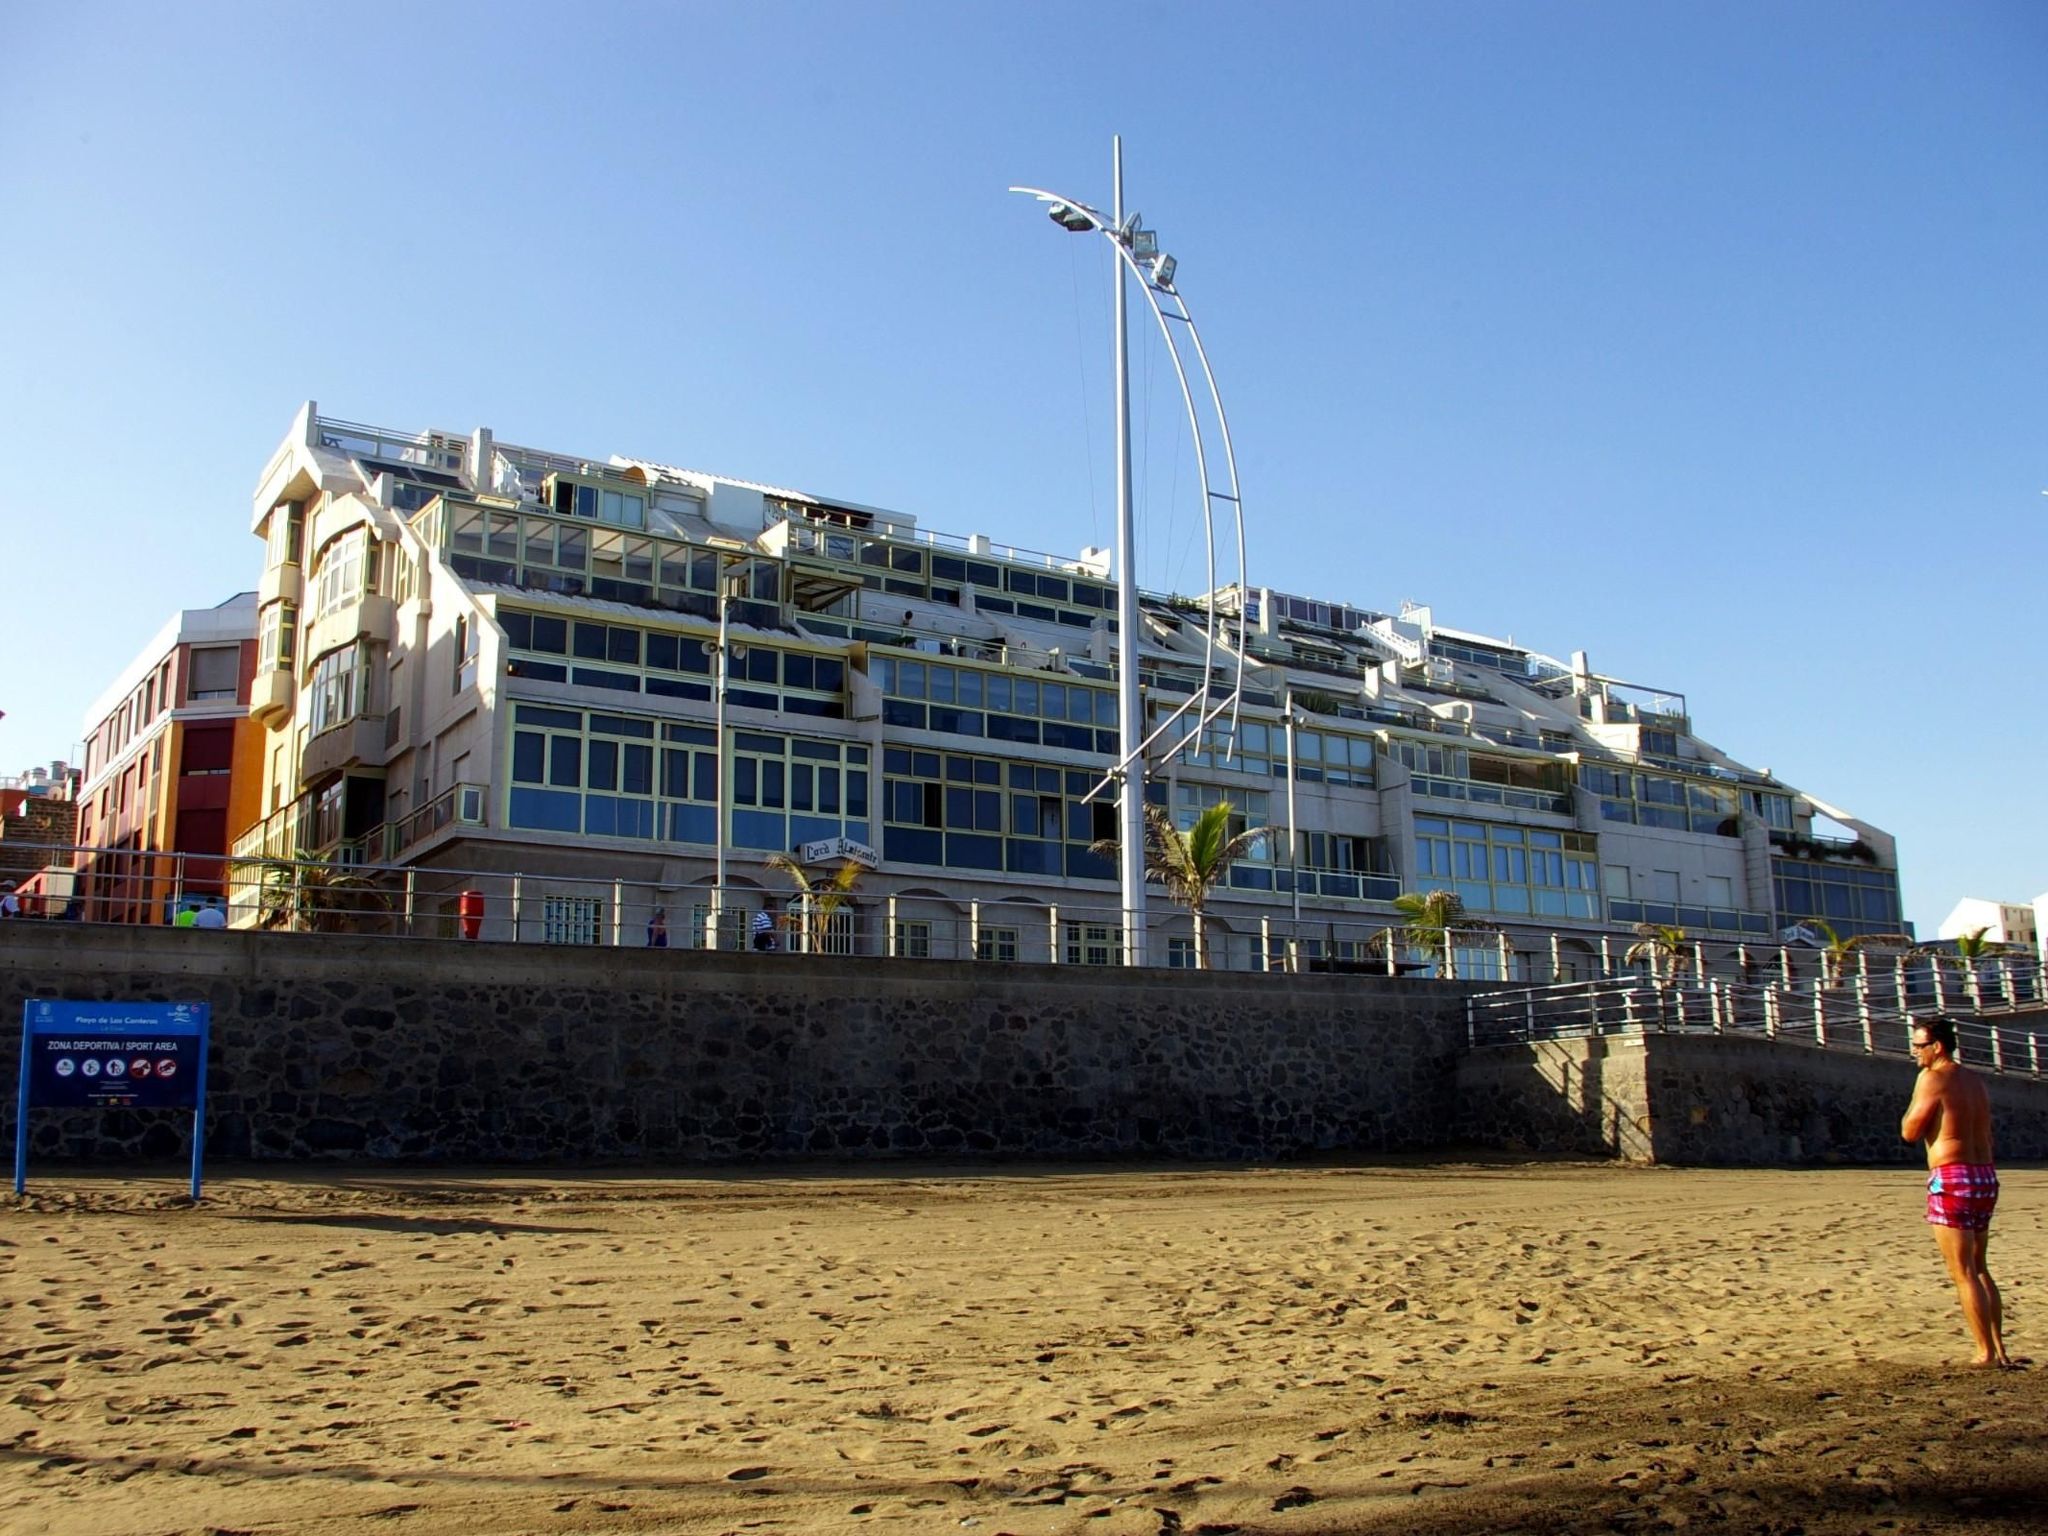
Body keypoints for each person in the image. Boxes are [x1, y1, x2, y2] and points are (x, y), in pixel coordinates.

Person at [1900, 1014, 2009, 1367]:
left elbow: (1911, 1131)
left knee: (1962, 1271)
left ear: (1937, 1046)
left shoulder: (1932, 1078)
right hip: (1983, 1174)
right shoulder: (1974, 1080)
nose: (1914, 1052)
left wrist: (1918, 1093)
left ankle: (1985, 1352)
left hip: (1953, 1175)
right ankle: (1998, 1348)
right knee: (1980, 1266)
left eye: (1918, 1045)